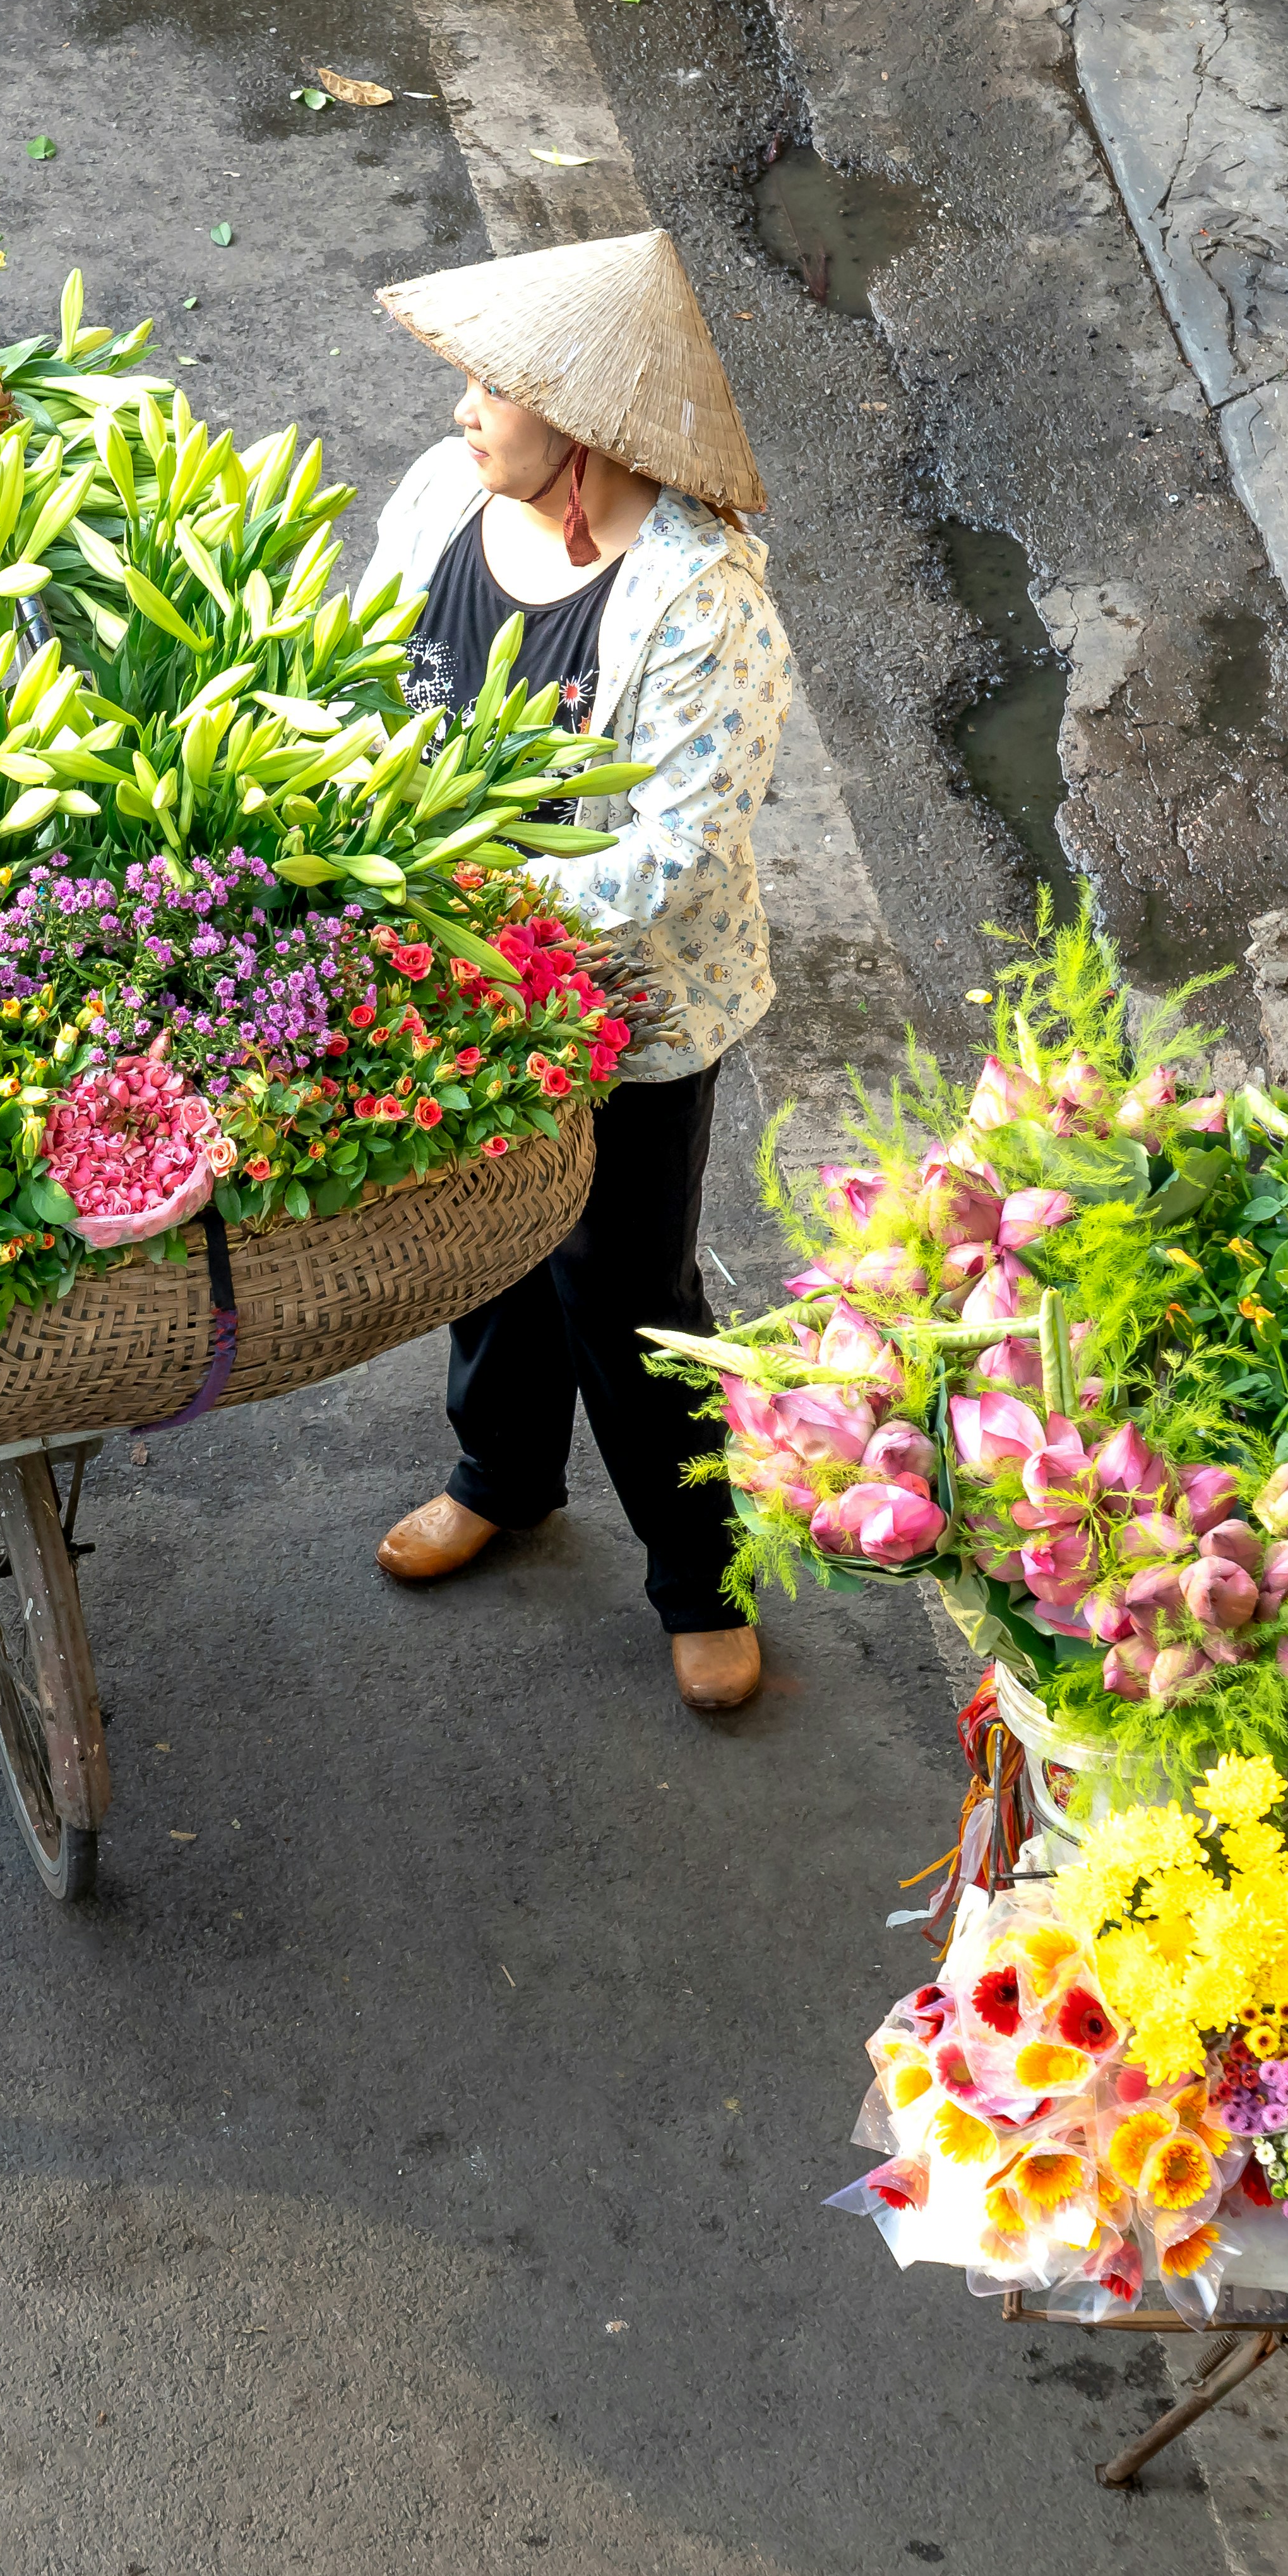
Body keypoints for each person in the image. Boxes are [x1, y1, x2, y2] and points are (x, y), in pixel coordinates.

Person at [355, 228, 797, 1714]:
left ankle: (699, 1572)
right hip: (466, 976)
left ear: (586, 426)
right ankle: (501, 1476)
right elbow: (361, 675)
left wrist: (474, 898)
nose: (461, 410)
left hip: (628, 1003)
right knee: (487, 1237)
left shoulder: (701, 600)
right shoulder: (442, 499)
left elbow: (674, 846)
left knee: (624, 1281)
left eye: (493, 388)